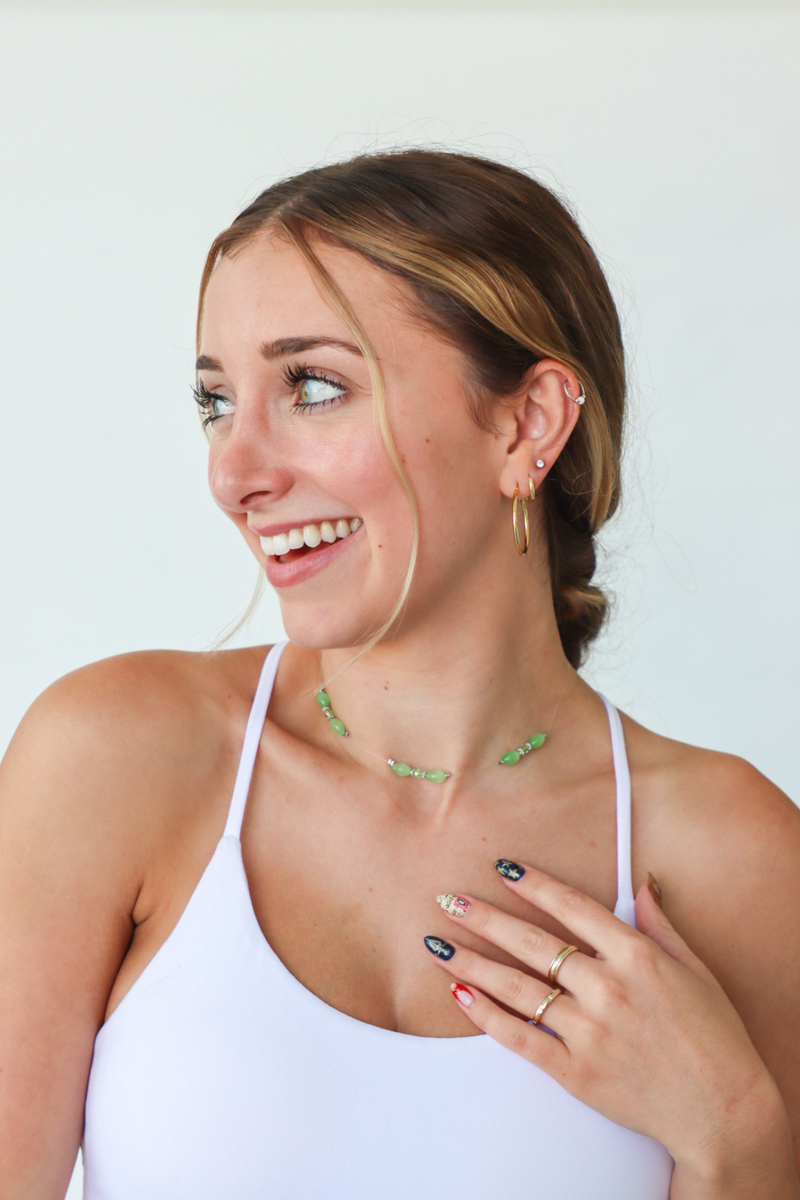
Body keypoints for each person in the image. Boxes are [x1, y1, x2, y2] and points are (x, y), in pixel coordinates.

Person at [1, 149, 798, 1200]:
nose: (233, 473)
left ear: (525, 424)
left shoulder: (730, 855)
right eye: (215, 402)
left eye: (311, 386)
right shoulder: (116, 760)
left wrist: (739, 1138)